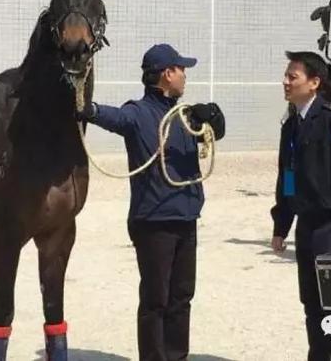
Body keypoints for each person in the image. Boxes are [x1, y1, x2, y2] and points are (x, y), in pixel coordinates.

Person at [78, 43, 225, 361]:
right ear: (167, 74)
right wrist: (86, 109)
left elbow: (216, 133)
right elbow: (112, 117)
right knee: (156, 299)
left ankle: (176, 356)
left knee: (182, 296)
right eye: (181, 69)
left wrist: (213, 117)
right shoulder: (138, 113)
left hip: (186, 217)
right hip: (154, 221)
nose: (185, 75)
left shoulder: (186, 117)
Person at [271, 51, 331, 361]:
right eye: (286, 76)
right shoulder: (291, 125)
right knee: (312, 304)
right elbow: (287, 178)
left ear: (314, 82)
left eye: (292, 76)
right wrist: (281, 225)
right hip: (306, 228)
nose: (286, 82)